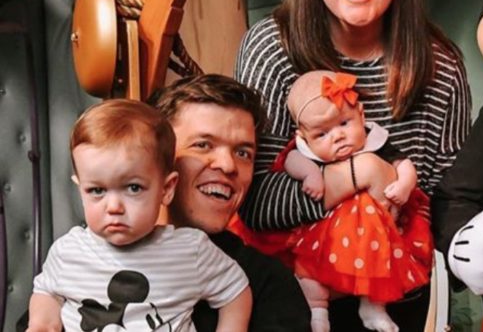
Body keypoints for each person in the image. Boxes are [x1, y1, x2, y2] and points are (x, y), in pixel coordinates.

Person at [234, 0, 471, 329]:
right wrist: (360, 173)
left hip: (397, 287)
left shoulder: (440, 67)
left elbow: (452, 198)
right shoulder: (271, 49)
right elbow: (255, 201)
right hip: (295, 292)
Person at [26, 99, 252, 332]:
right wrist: (42, 324)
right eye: (97, 190)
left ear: (166, 189)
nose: (113, 206)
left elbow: (236, 291)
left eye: (133, 188)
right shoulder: (68, 252)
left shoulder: (191, 250)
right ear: (80, 190)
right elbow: (47, 292)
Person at [148, 73, 313, 332]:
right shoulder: (88, 256)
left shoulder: (267, 284)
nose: (228, 165)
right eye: (203, 145)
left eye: (242, 153)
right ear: (158, 157)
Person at [283, 70, 432, 332]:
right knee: (307, 270)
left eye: (344, 123)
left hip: (372, 235)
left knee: (379, 263)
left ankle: (373, 305)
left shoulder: (375, 144)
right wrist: (309, 174)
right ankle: (318, 314)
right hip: (326, 236)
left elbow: (404, 164)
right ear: (303, 138)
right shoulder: (306, 154)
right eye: (322, 134)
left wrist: (405, 185)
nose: (337, 136)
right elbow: (288, 160)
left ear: (361, 115)